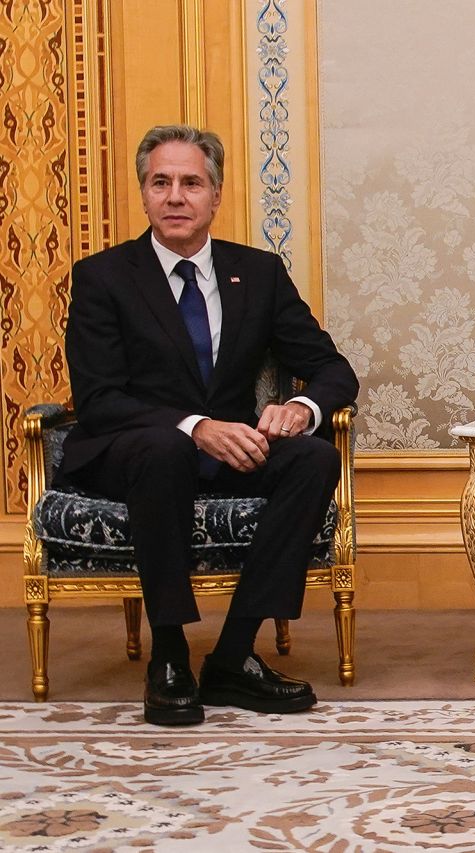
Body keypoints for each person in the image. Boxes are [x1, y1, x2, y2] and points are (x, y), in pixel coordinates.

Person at [61, 125, 359, 726]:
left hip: (228, 450)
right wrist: (195, 426)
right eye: (160, 182)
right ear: (144, 194)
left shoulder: (259, 273)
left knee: (314, 459)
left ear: (215, 196)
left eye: (190, 183)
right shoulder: (104, 277)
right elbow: (99, 399)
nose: (175, 196)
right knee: (162, 451)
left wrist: (301, 411)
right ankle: (168, 654)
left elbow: (331, 369)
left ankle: (232, 655)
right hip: (133, 453)